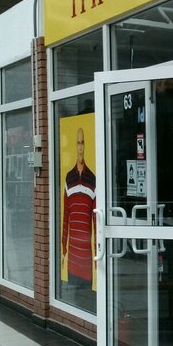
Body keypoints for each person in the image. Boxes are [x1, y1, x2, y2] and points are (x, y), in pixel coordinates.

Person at [62, 127, 96, 297]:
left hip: (87, 259)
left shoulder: (92, 179)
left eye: (83, 143)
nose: (80, 147)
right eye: (78, 143)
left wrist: (97, 258)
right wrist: (62, 250)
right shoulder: (69, 178)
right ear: (75, 146)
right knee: (74, 297)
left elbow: (96, 220)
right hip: (72, 259)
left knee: (88, 298)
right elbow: (65, 217)